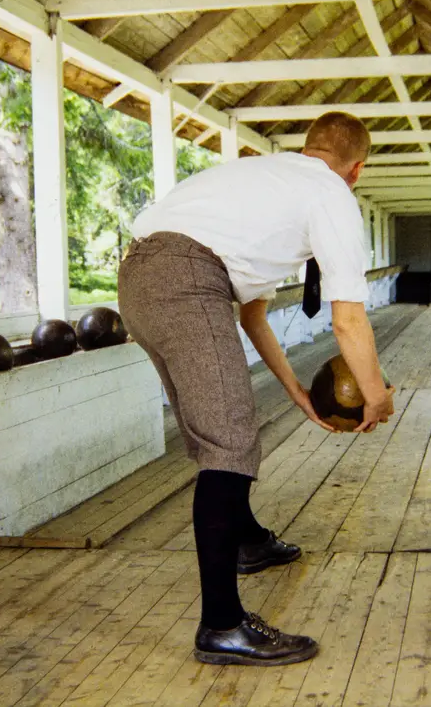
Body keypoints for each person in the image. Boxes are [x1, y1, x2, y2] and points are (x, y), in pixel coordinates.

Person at [118, 111, 396, 667]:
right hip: (186, 282)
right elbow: (348, 321)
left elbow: (253, 314)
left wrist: (294, 388)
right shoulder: (332, 193)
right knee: (229, 441)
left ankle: (245, 540)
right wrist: (376, 394)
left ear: (308, 147)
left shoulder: (265, 181)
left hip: (139, 278)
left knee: (218, 431)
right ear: (356, 170)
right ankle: (222, 625)